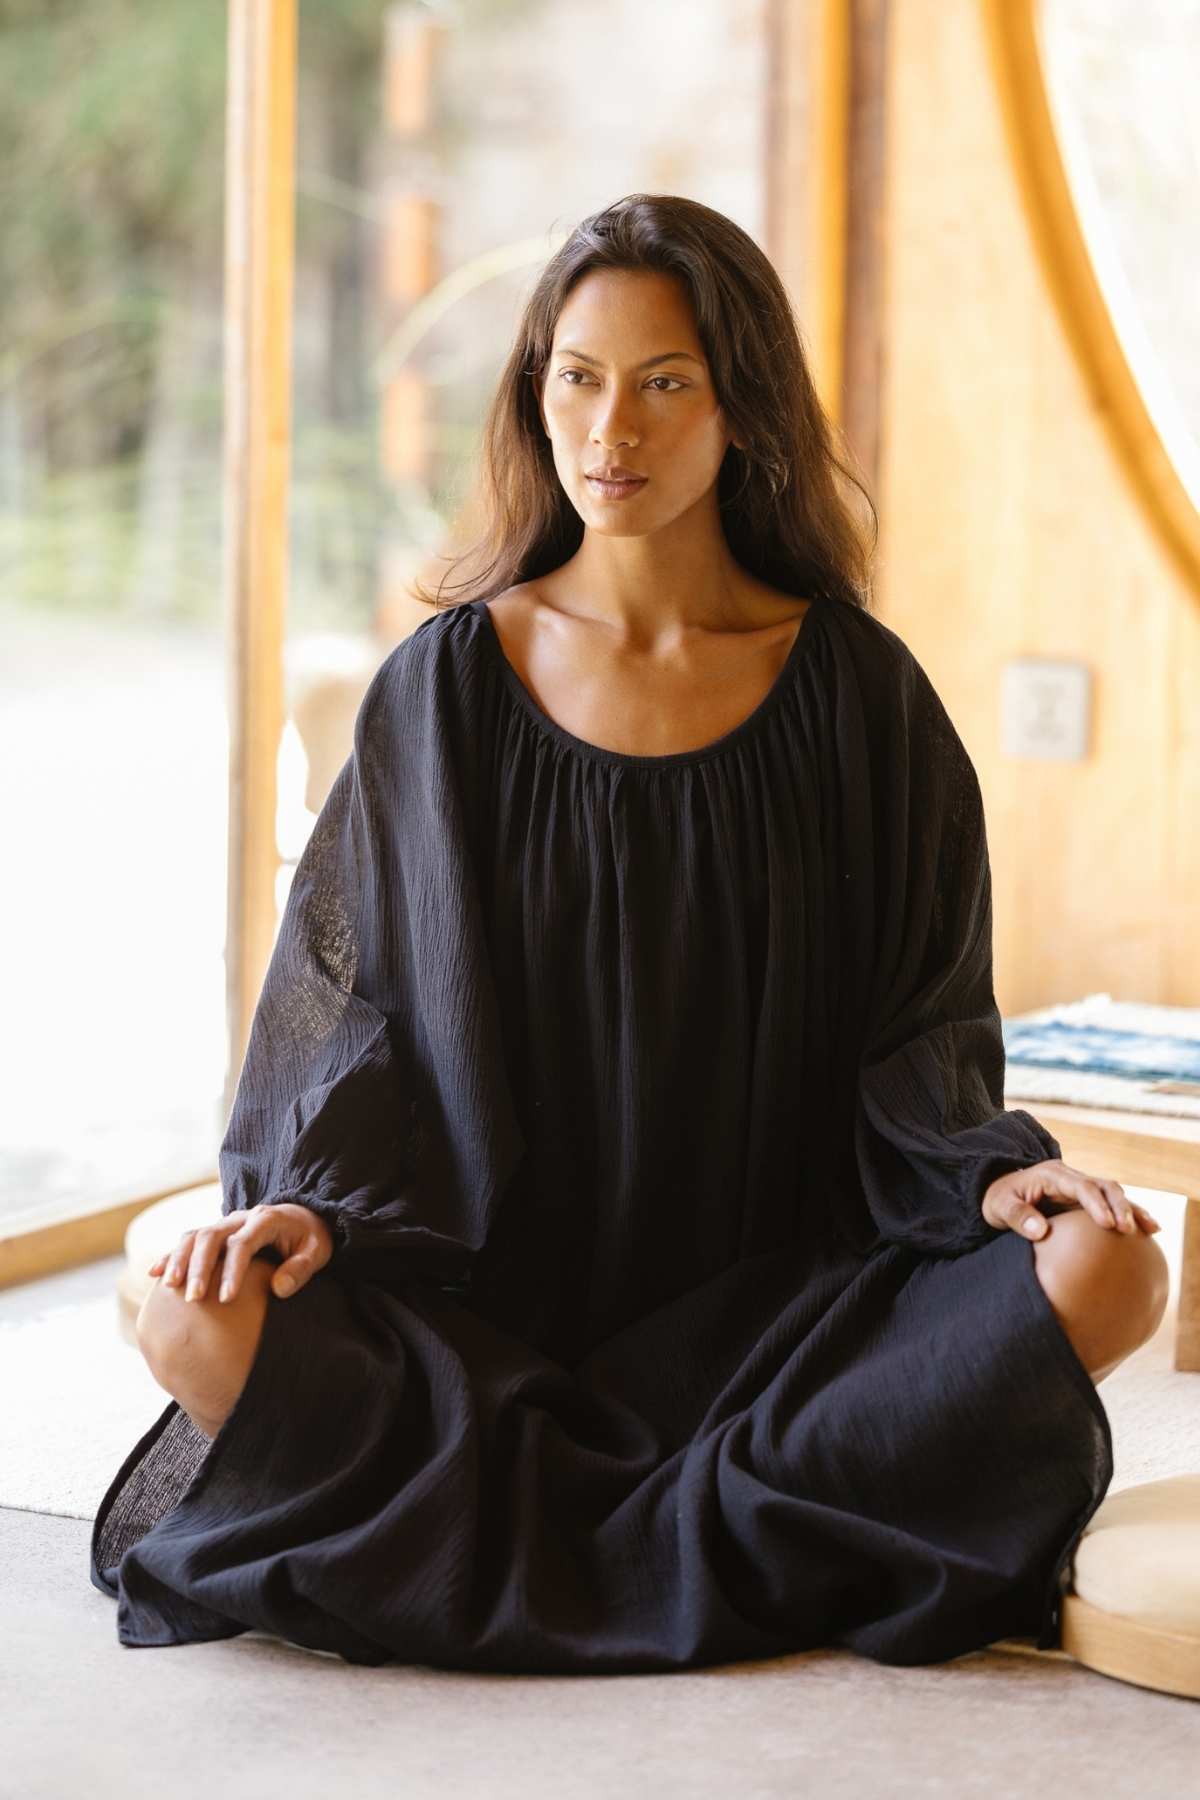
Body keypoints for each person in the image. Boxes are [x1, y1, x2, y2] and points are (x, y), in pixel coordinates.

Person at [91, 193, 1169, 1672]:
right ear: (535, 395)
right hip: (486, 1310)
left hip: (794, 1308)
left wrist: (984, 1180)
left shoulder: (861, 698)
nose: (616, 430)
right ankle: (755, 1522)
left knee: (1117, 1271)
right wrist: (312, 1205)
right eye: (578, 378)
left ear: (745, 409)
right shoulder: (448, 692)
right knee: (185, 1316)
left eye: (668, 382)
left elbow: (922, 1031)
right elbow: (356, 1020)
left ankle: (574, 1513)